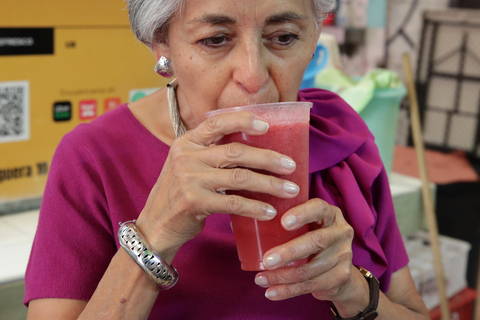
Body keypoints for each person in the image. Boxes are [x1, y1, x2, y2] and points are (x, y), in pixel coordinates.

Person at [24, 0, 430, 319]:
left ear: (315, 35)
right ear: (161, 43)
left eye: (284, 37)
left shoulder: (340, 136)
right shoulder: (95, 157)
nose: (253, 76)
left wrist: (354, 293)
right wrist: (154, 235)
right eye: (216, 39)